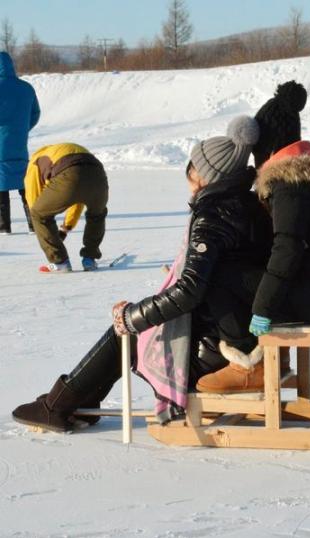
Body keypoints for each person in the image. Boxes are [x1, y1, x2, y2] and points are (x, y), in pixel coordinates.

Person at [11, 116, 273, 432]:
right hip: (240, 330)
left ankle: (58, 405)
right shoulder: (248, 205)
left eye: (190, 171)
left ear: (201, 176)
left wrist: (133, 317)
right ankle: (74, 403)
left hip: (217, 352)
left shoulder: (213, 215)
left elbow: (190, 290)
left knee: (127, 328)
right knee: (135, 322)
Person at [195, 80, 310, 393]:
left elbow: (288, 249)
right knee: (252, 276)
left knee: (219, 274)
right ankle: (270, 360)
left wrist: (263, 310)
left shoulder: (288, 185)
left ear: (268, 150)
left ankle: (248, 364)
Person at [23, 143, 109, 272]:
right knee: (97, 215)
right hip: (98, 176)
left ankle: (60, 261)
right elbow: (79, 197)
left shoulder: (34, 163)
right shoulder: (58, 150)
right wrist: (66, 227)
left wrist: (44, 228)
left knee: (38, 214)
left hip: (69, 175)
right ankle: (89, 260)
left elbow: (34, 201)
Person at [0, 51, 39, 234]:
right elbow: (35, 114)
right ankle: (33, 224)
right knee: (24, 183)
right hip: (19, 141)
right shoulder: (26, 88)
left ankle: (3, 226)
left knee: (1, 183)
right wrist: (22, 129)